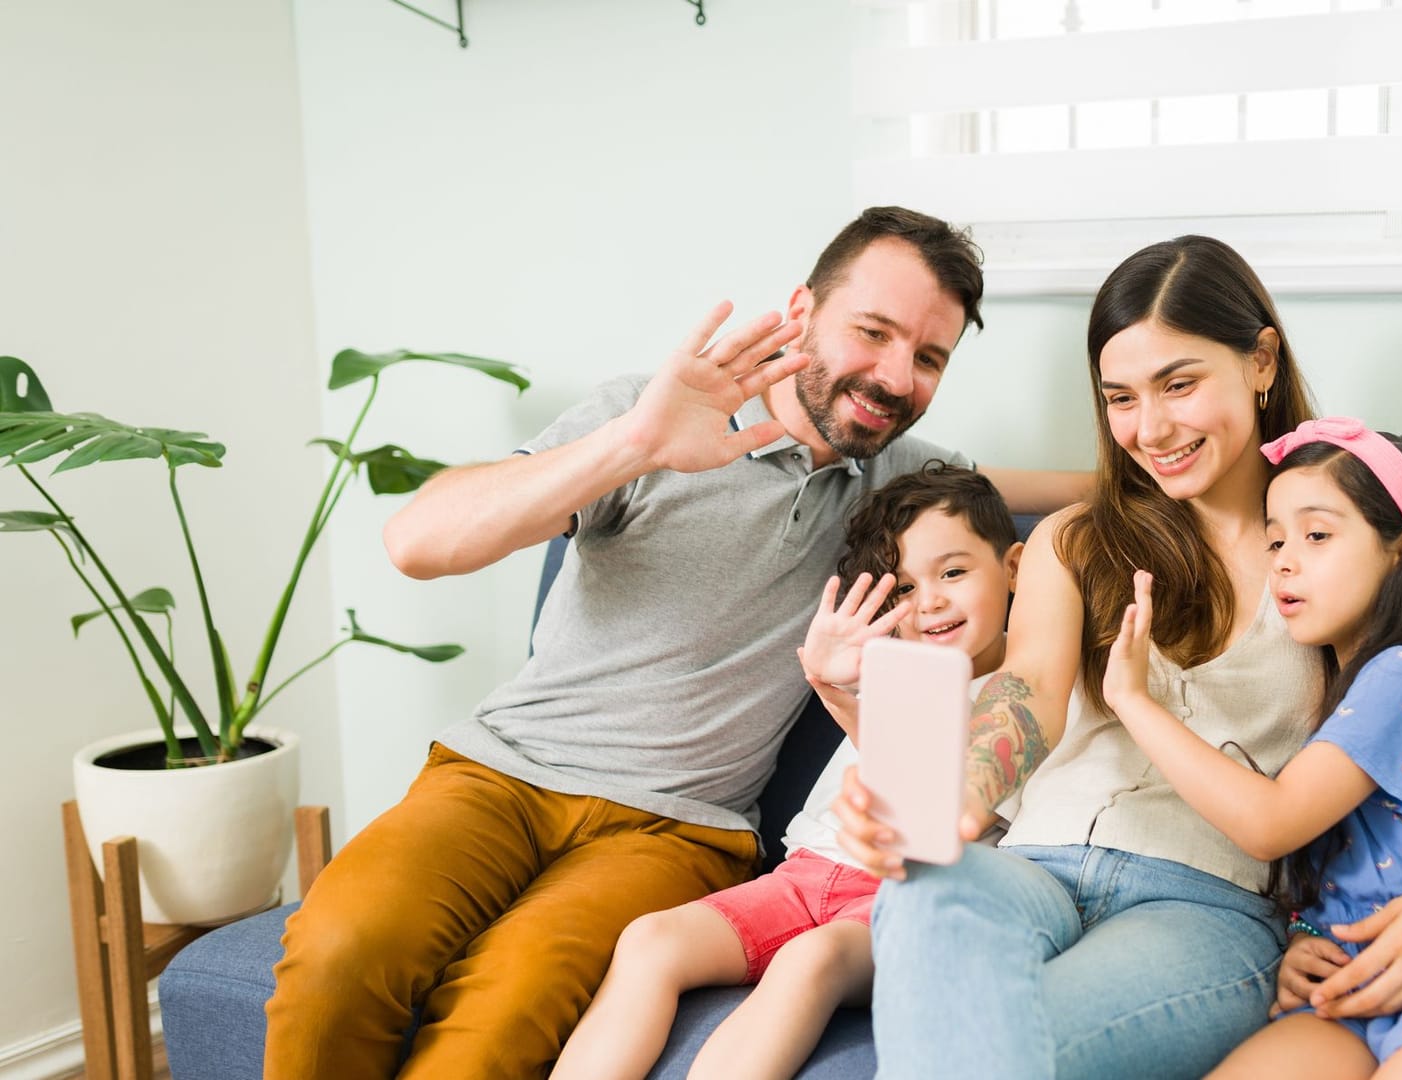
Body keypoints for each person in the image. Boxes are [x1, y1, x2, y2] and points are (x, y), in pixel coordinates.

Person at [263, 207, 1083, 1078]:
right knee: (340, 948)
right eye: (872, 333)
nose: (892, 377)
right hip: (497, 773)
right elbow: (418, 543)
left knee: (508, 1001)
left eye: (928, 358)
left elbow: (1067, 494)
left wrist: (1213, 466)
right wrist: (635, 444)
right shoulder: (647, 419)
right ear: (801, 311)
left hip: (678, 830)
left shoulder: (904, 482)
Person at [834, 236, 1402, 1079]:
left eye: (1179, 384)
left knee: (1002, 1042)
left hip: (1203, 905)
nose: (1151, 428)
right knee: (922, 895)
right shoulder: (1078, 540)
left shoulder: (1342, 546)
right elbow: (1031, 689)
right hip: (1031, 865)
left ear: (1261, 361)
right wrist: (961, 790)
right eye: (1120, 397)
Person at [1103, 417, 1402, 1079]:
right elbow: (1351, 866)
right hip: (1351, 987)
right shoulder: (1341, 685)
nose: (1284, 560)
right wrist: (1305, 937)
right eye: (1274, 539)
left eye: (1317, 535)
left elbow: (1271, 822)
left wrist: (1134, 700)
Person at [552, 464, 1024, 1080]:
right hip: (801, 878)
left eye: (953, 573)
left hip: (905, 901)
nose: (929, 601)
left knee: (809, 959)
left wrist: (838, 696)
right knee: (650, 940)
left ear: (1013, 566)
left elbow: (939, 808)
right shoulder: (889, 664)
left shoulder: (1028, 694)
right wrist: (835, 677)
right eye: (903, 589)